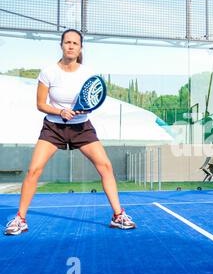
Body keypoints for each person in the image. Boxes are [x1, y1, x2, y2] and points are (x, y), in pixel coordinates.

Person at [4, 29, 136, 235]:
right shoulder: (48, 72)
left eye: (75, 43)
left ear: (80, 48)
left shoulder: (87, 73)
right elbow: (40, 104)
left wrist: (84, 110)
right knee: (34, 170)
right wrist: (60, 111)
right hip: (53, 127)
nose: (71, 46)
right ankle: (20, 219)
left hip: (81, 127)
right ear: (62, 46)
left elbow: (93, 100)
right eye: (67, 42)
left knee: (106, 166)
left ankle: (118, 216)